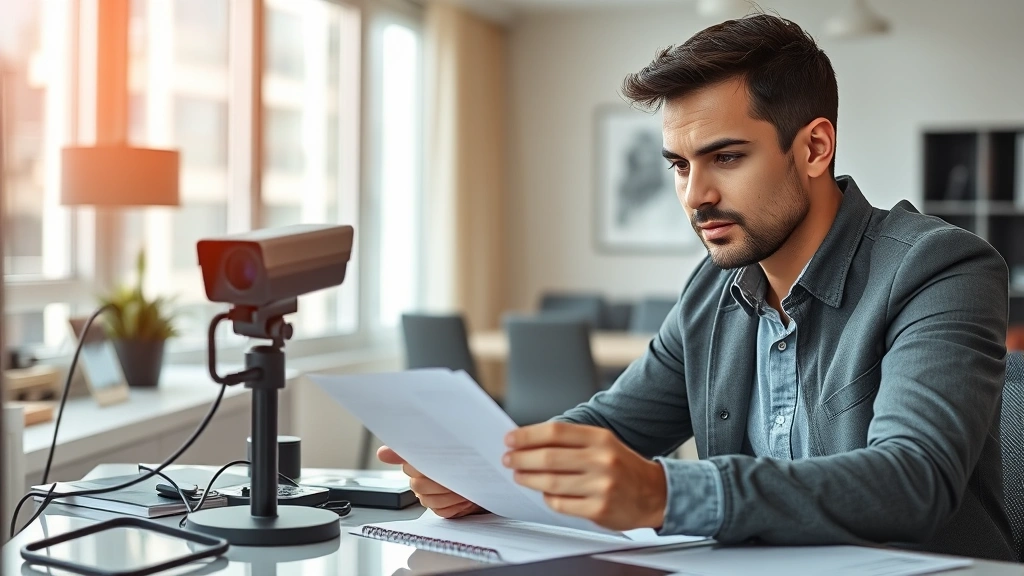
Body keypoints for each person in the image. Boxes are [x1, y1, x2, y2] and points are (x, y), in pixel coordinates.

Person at [380, 13, 1016, 561]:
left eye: (727, 158)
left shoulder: (940, 268)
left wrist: (665, 493)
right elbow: (611, 426)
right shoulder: (714, 290)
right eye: (680, 166)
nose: (695, 196)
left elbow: (913, 481)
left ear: (815, 146)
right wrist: (490, 474)